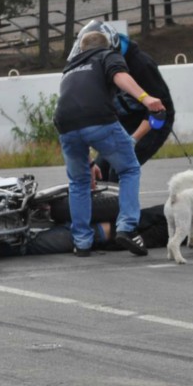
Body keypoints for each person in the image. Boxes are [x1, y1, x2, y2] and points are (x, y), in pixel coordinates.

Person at [55, 20, 166, 257]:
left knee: (79, 182)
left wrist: (89, 162)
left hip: (65, 125)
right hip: (99, 119)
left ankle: (82, 242)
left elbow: (74, 110)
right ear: (110, 46)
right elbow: (119, 76)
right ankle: (127, 227)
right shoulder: (106, 55)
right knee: (129, 169)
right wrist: (146, 98)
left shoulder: (70, 68)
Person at [87, 31, 176, 185]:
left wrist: (134, 139)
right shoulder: (101, 65)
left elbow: (159, 111)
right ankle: (105, 202)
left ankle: (124, 201)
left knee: (119, 169)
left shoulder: (141, 64)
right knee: (100, 171)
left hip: (153, 122)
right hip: (124, 122)